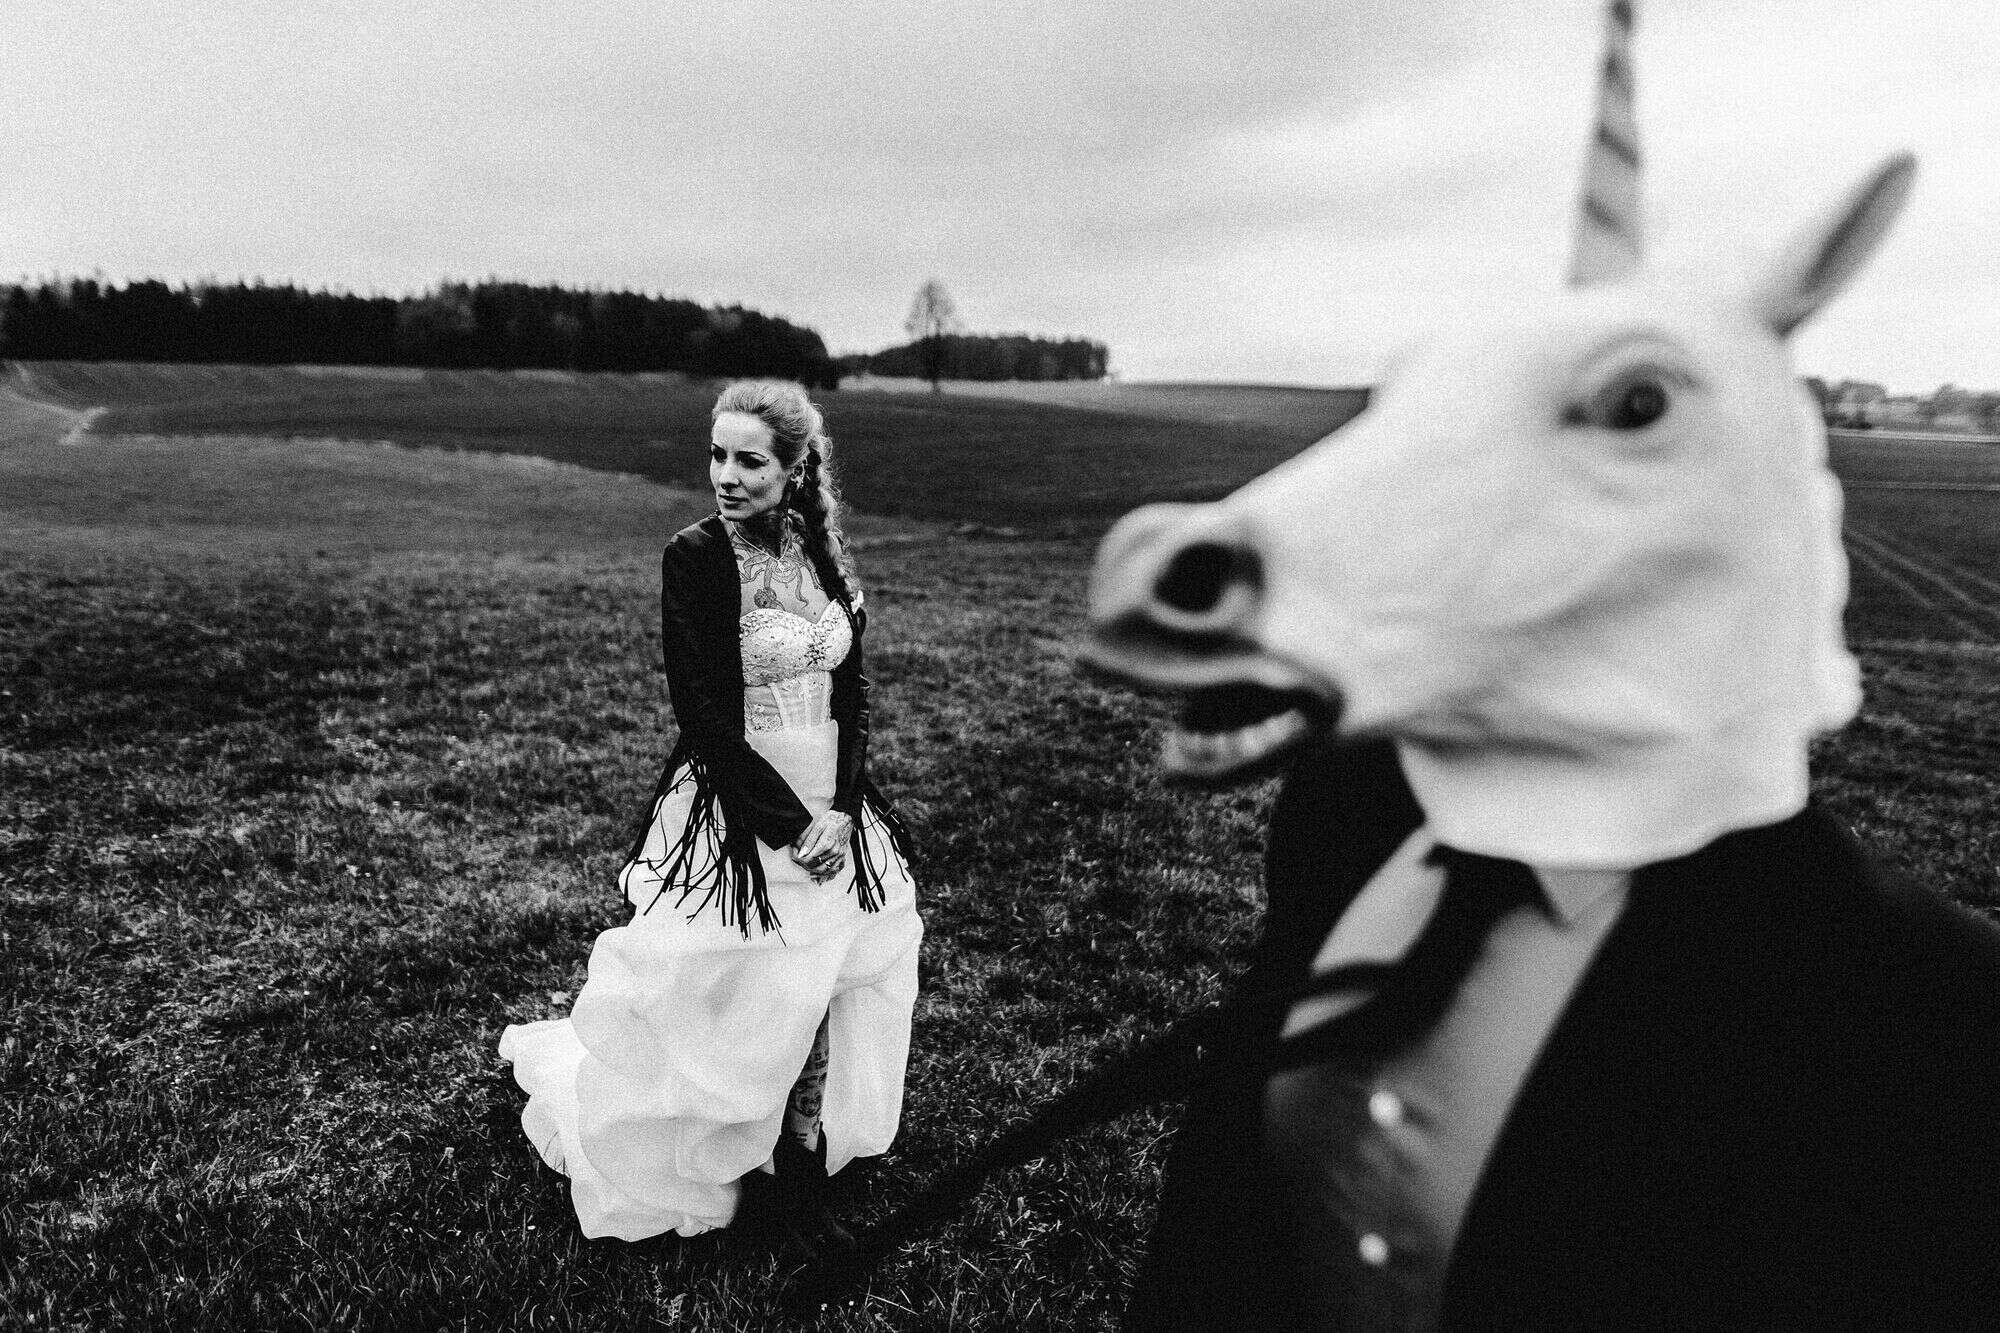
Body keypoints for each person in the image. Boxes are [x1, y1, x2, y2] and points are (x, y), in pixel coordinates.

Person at [499, 379, 922, 1248]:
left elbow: (853, 692)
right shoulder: (693, 556)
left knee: (826, 980)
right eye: (717, 455)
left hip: (833, 802)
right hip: (742, 801)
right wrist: (791, 825)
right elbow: (702, 714)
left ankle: (796, 1165)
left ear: (795, 470)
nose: (726, 475)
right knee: (745, 990)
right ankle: (735, 1157)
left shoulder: (819, 549)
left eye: (750, 461)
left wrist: (843, 810)